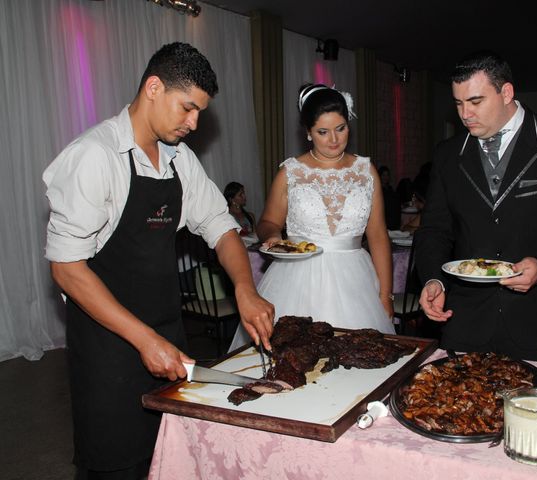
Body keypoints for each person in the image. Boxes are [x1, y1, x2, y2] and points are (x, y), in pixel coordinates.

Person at [43, 42, 274, 479]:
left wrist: (245, 288)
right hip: (108, 343)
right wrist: (143, 339)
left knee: (168, 456)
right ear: (153, 87)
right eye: (187, 108)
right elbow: (67, 268)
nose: (194, 123)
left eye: (200, 113)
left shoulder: (179, 160)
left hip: (168, 329)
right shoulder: (95, 157)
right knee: (115, 461)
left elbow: (221, 228)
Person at [414, 51, 537, 361]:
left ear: (506, 92)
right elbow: (434, 230)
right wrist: (434, 279)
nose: (465, 114)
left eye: (475, 102)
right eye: (458, 103)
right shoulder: (447, 154)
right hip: (466, 321)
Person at [229, 83, 395, 349]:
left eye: (341, 128)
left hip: (356, 281)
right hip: (297, 279)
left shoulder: (366, 170)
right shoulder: (291, 172)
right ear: (308, 133)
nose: (334, 139)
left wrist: (386, 295)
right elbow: (268, 221)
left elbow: (377, 234)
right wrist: (273, 235)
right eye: (323, 132)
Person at [378, 165, 401, 230]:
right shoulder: (378, 190)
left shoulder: (390, 189)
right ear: (379, 176)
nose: (386, 177)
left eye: (387, 175)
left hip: (393, 221)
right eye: (383, 175)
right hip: (384, 220)